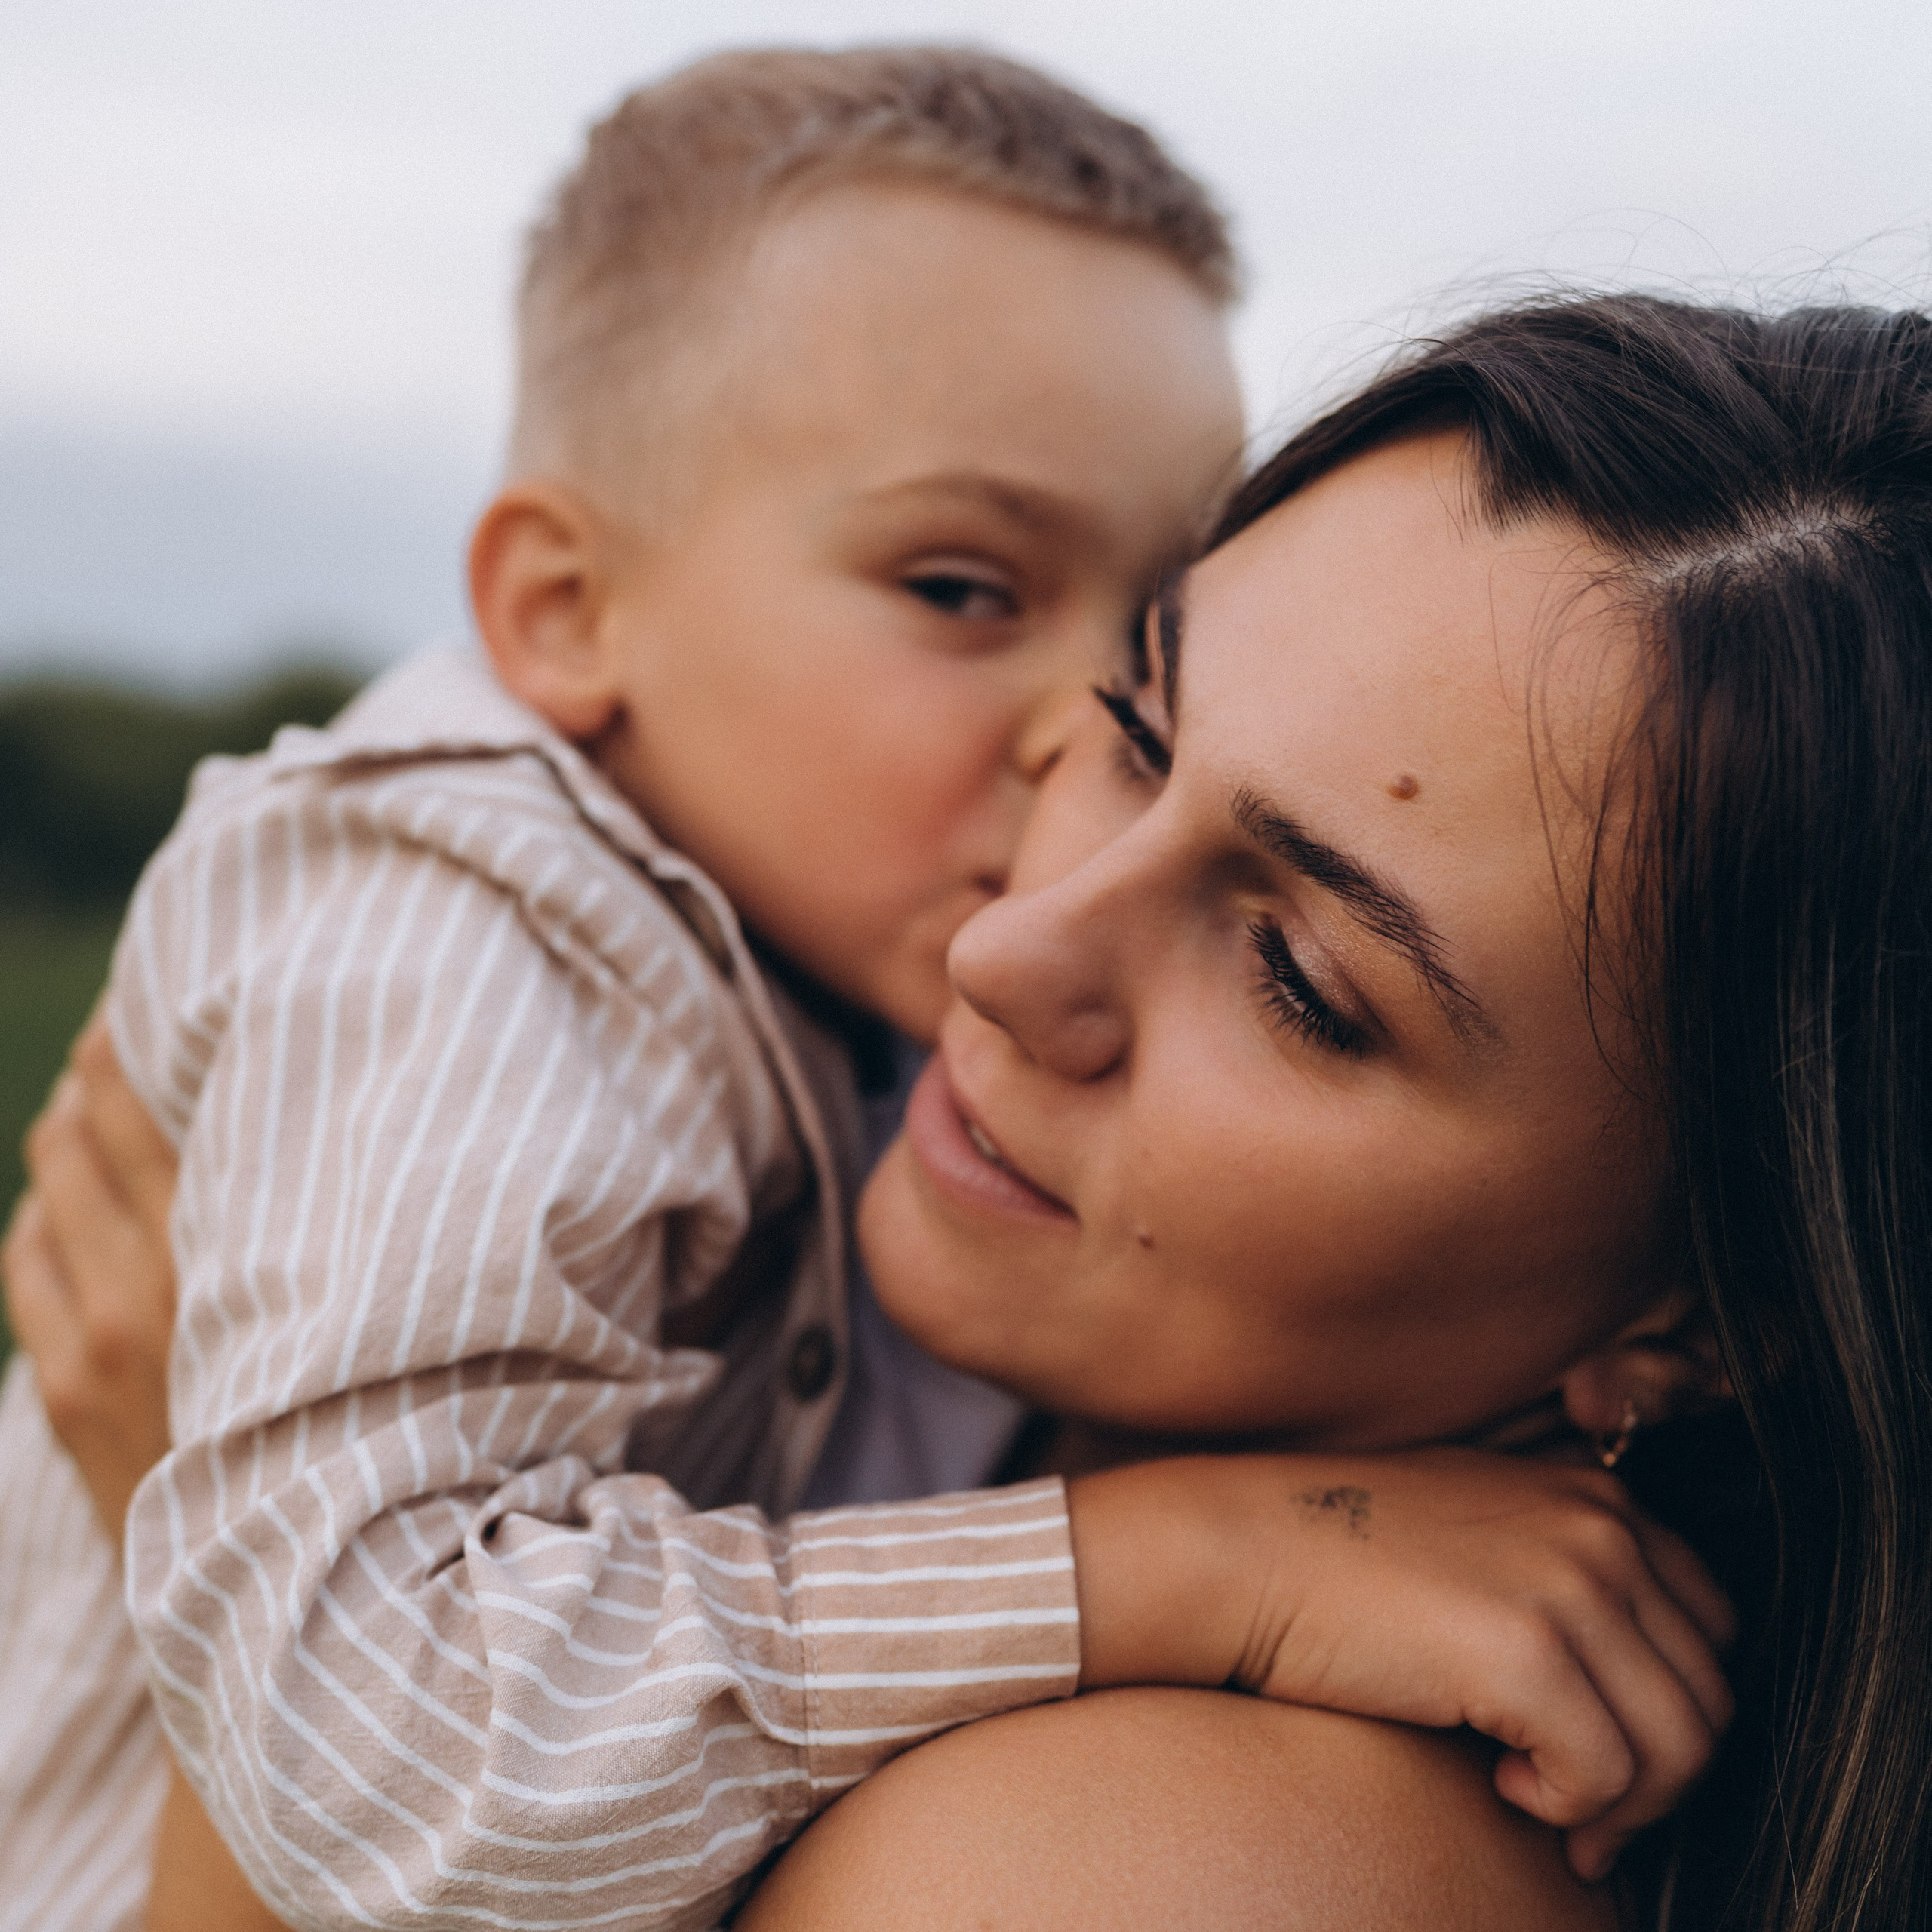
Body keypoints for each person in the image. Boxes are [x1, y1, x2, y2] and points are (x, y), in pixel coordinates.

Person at [0, 50, 1731, 1932]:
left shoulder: (831, 980)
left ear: (1700, 1306)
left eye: (1302, 983)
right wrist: (1176, 1561)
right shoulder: (456, 921)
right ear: (564, 610)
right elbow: (386, 1728)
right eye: (968, 591)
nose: (1056, 754)